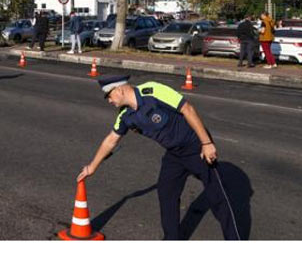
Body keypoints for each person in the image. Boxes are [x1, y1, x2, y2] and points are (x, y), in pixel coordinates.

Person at [77, 76, 241, 240]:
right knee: (166, 195)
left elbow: (187, 109)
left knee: (217, 198)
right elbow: (111, 140)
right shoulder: (125, 116)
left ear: (119, 90)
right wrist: (92, 167)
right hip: (174, 154)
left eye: (109, 96)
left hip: (195, 146)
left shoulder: (153, 91)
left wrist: (206, 143)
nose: (109, 101)